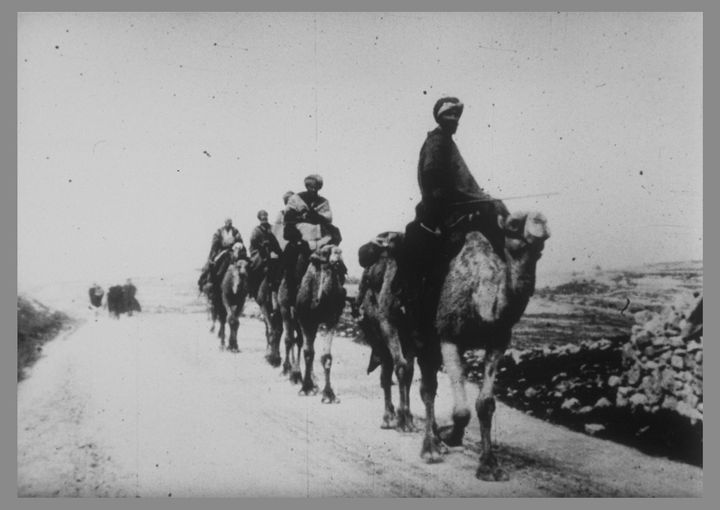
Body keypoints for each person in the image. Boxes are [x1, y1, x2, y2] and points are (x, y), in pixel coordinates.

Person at [399, 96, 509, 336]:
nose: (454, 120)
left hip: (458, 204)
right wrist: (462, 198)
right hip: (440, 208)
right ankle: (414, 306)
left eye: (457, 116)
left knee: (498, 213)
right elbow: (433, 181)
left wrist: (476, 197)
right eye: (449, 115)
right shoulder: (437, 143)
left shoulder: (447, 142)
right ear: (440, 118)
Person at [198, 218, 247, 291]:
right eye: (227, 223)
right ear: (225, 223)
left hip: (233, 250)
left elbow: (239, 240)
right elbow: (215, 241)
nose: (229, 224)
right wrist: (218, 244)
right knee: (216, 263)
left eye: (230, 223)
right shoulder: (219, 231)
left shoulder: (235, 231)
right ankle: (214, 280)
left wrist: (237, 245)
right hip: (222, 250)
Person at [248, 209, 284, 300]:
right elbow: (253, 242)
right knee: (254, 266)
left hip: (272, 251)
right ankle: (252, 289)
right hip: (259, 251)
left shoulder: (271, 228)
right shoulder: (256, 230)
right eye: (262, 216)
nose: (264, 217)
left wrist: (278, 251)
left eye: (265, 215)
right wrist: (262, 244)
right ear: (259, 218)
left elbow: (275, 241)